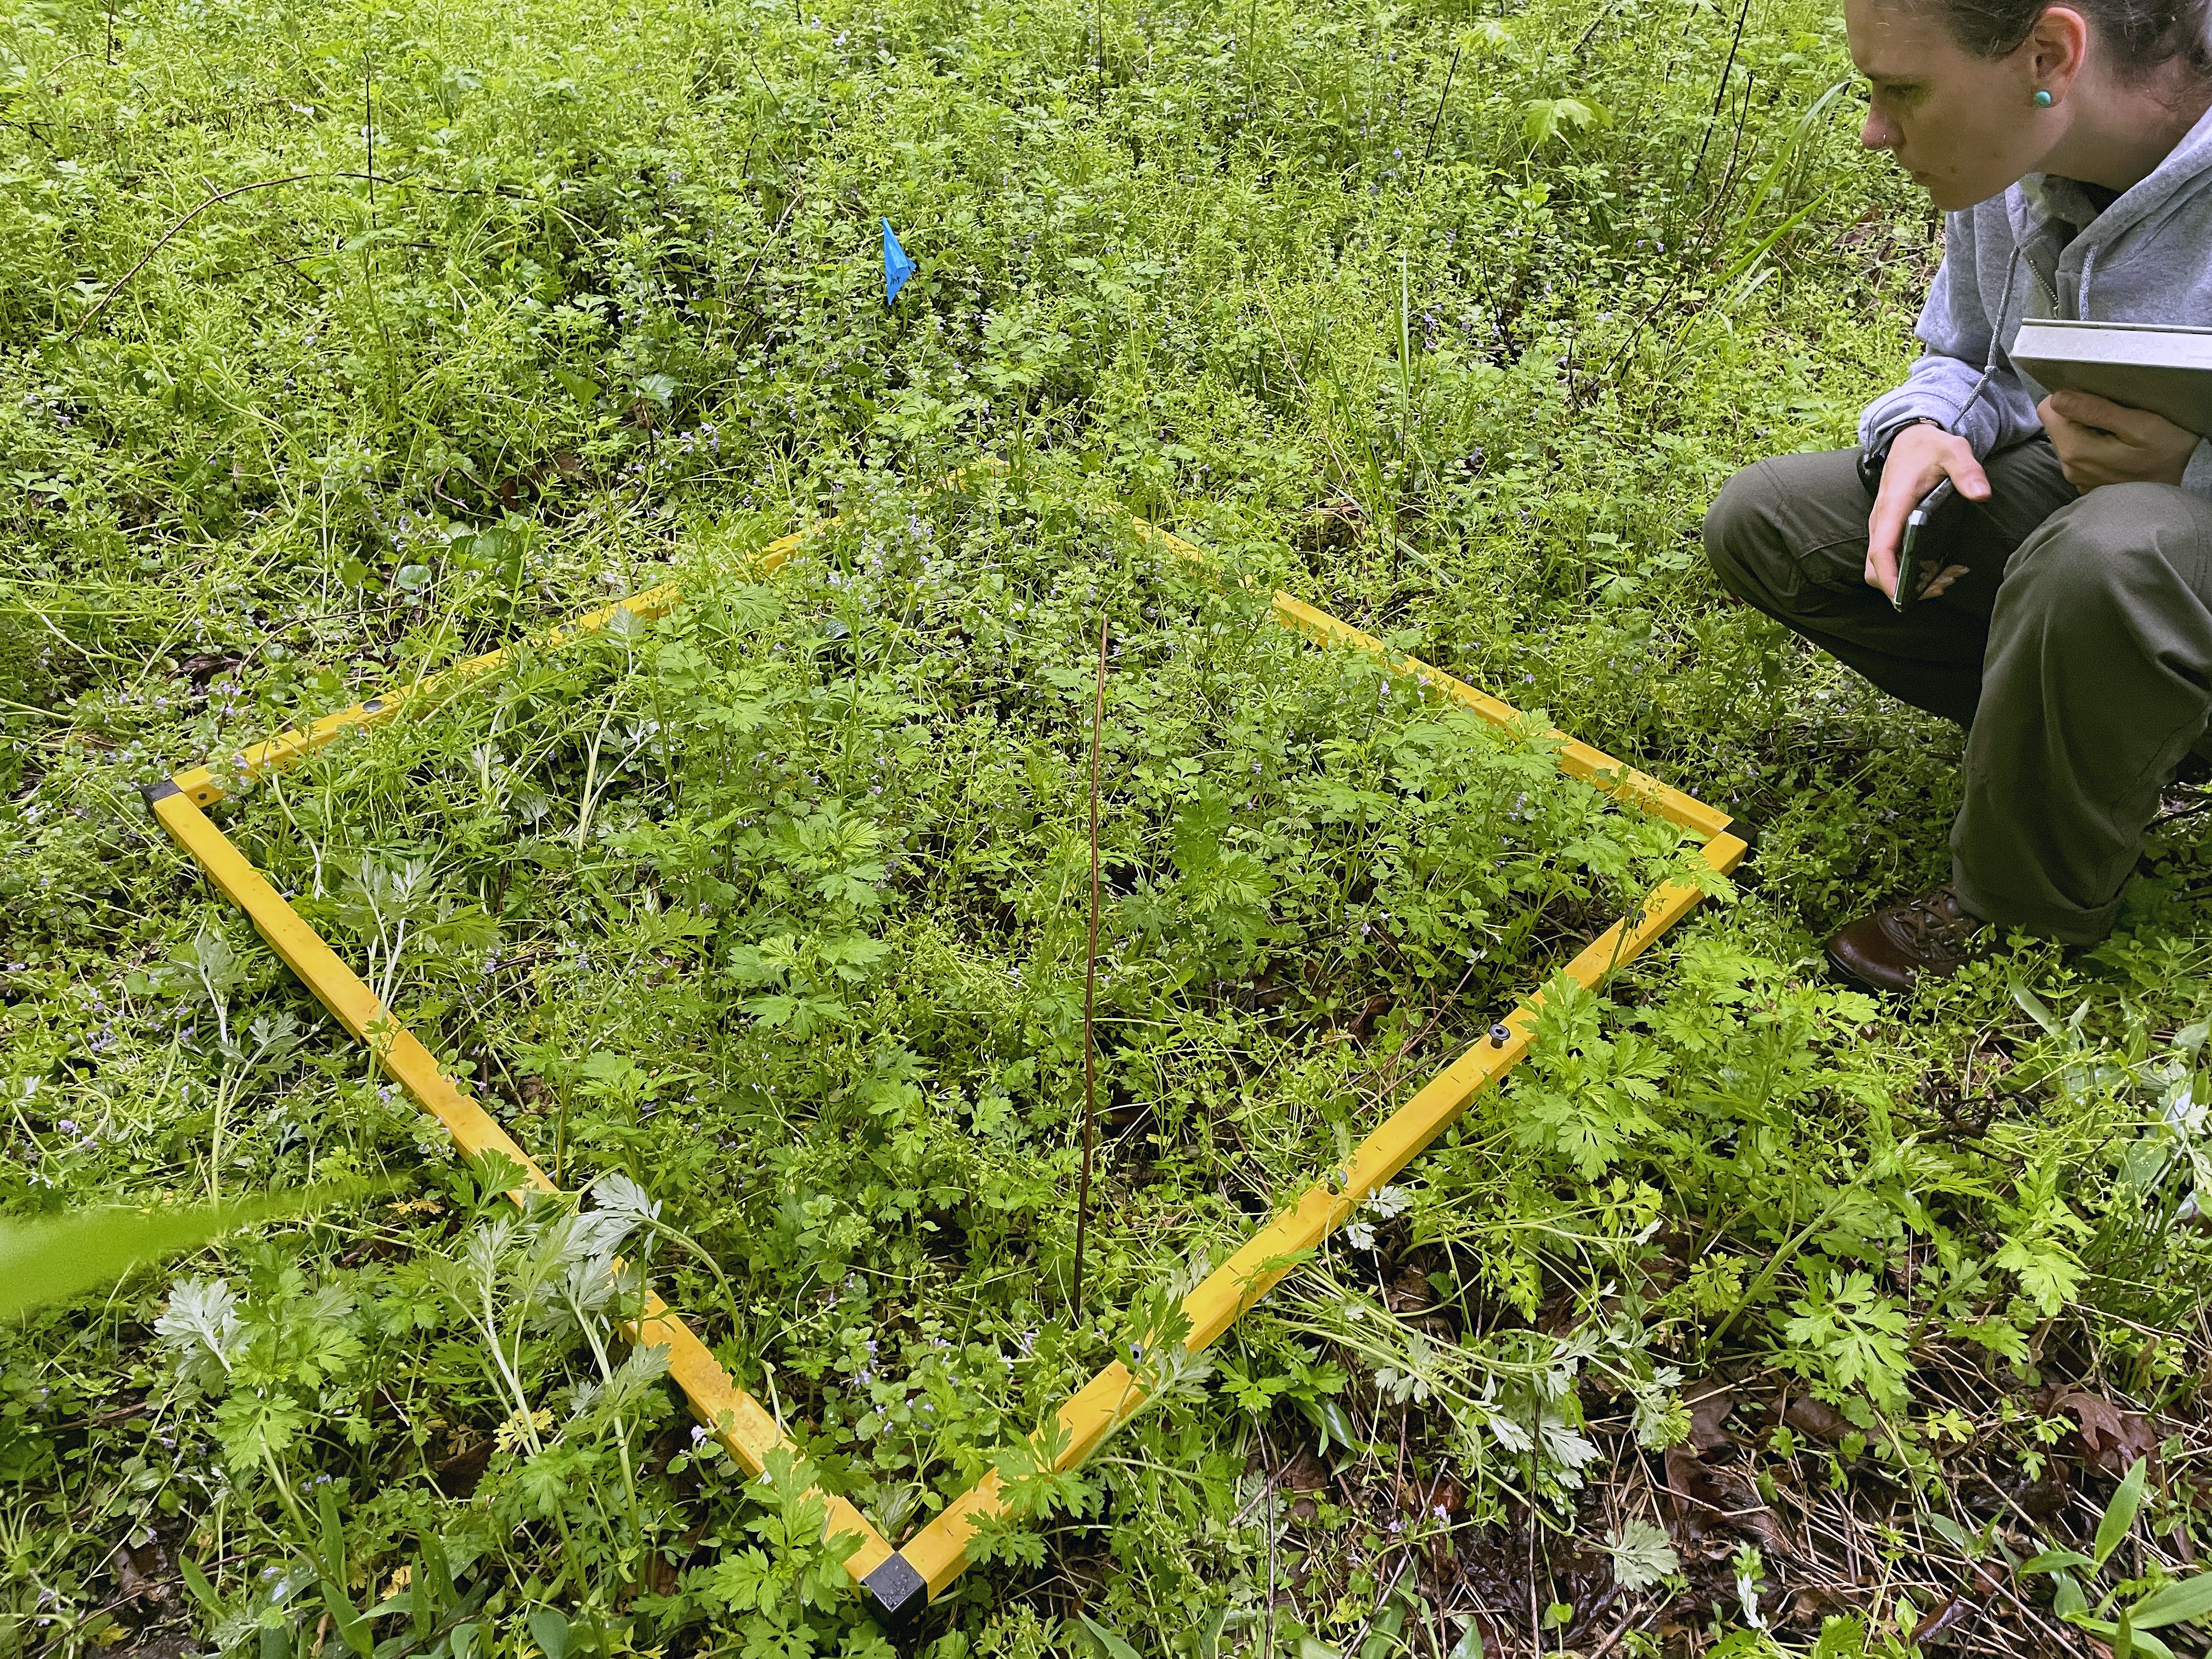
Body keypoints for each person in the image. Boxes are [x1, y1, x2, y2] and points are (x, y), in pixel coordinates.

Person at [1703, 0, 2212, 991]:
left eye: (1904, 91)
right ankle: (2097, 746)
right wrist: (1924, 429)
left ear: (2051, 54)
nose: (1874, 130)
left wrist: (2184, 472)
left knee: (2108, 551)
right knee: (1774, 524)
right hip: (2121, 529)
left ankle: (2016, 912)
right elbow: (1974, 352)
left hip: (2146, 538)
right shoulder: (2022, 148)